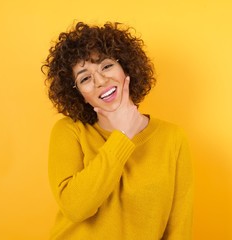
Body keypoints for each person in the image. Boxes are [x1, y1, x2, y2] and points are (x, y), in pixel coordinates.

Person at [42, 21, 193, 240]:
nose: (101, 80)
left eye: (106, 66)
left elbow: (180, 227)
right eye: (85, 78)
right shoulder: (69, 132)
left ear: (125, 67)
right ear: (79, 94)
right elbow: (76, 208)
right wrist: (122, 136)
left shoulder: (172, 138)